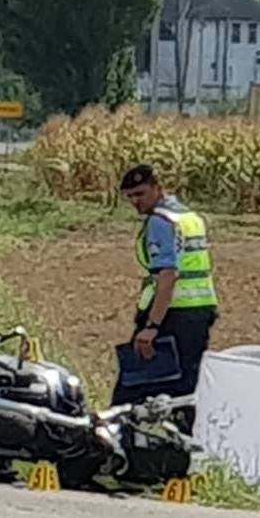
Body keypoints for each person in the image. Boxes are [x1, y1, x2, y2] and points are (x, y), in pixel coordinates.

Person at [113, 163, 219, 432]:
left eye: (140, 193)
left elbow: (168, 276)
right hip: (200, 311)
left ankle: (123, 447)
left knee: (132, 390)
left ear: (158, 188)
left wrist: (151, 327)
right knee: (184, 390)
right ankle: (182, 450)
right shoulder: (191, 218)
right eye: (130, 197)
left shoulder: (160, 222)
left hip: (171, 315)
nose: (136, 202)